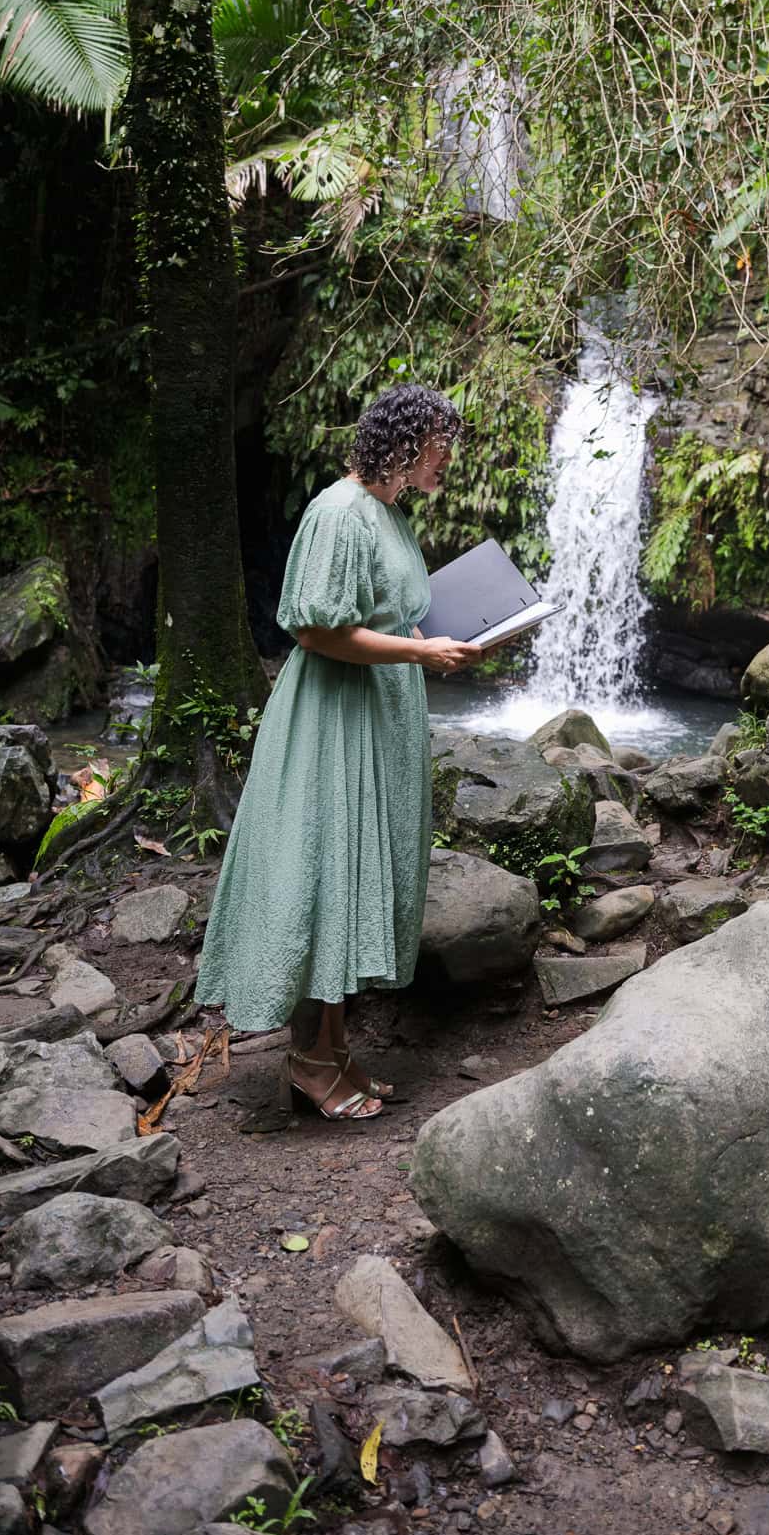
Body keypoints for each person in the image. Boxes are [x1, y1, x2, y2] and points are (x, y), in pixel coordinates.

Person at [196, 383, 479, 1122]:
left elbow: (385, 612)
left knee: (354, 873)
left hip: (376, 712)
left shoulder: (387, 514)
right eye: (442, 443)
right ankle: (307, 1060)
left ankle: (334, 1050)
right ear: (409, 442)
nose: (449, 458)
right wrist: (419, 655)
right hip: (332, 714)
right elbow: (315, 630)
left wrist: (431, 643)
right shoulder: (339, 512)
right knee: (321, 870)